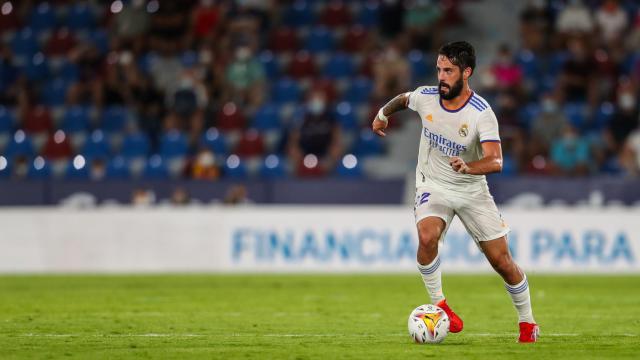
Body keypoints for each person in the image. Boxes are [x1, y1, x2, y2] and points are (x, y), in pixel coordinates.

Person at [371, 42, 539, 343]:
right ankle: (440, 303)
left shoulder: (481, 113)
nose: (441, 76)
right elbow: (403, 99)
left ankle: (527, 323)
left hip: (472, 189)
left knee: (502, 262)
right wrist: (383, 113)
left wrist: (469, 166)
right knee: (427, 237)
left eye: (448, 70)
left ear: (467, 72)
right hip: (432, 184)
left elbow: (496, 160)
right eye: (439, 69)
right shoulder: (426, 97)